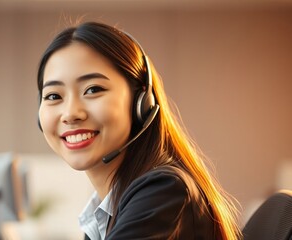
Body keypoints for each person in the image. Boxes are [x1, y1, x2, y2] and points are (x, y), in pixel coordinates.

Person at [37, 21, 241, 239]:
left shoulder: (164, 191)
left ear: (141, 102)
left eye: (93, 89)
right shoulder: (113, 209)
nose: (70, 113)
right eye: (53, 96)